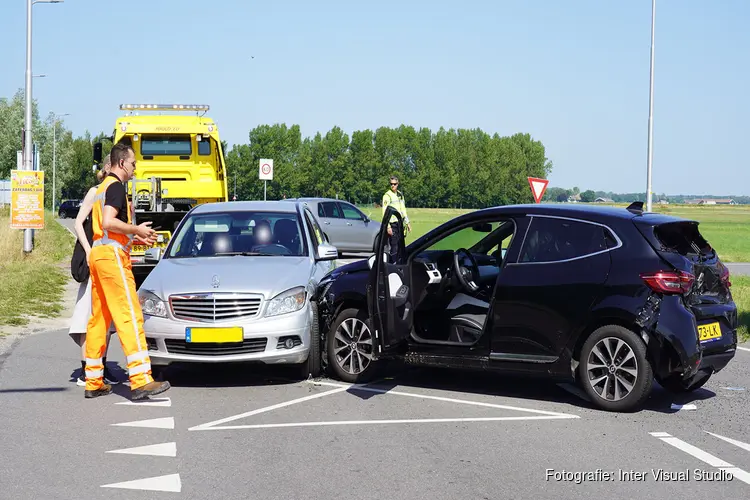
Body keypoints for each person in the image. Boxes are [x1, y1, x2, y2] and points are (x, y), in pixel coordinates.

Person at [84, 142, 171, 400]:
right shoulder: (116, 188)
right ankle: (141, 378)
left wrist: (134, 239)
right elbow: (111, 222)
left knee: (99, 319)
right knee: (130, 315)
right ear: (122, 163)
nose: (135, 168)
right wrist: (136, 230)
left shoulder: (102, 188)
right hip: (112, 258)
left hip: (99, 255)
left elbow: (105, 229)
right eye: (133, 164)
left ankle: (93, 380)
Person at [68, 154, 119, 386]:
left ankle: (102, 366)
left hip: (109, 263)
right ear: (109, 167)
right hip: (93, 263)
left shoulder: (116, 194)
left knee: (104, 320)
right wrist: (88, 251)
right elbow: (78, 222)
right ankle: (86, 369)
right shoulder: (95, 191)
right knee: (86, 316)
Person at [381, 175, 411, 263]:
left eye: (394, 184)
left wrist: (407, 222)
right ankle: (393, 264)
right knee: (394, 247)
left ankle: (400, 263)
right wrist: (388, 226)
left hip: (400, 224)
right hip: (392, 224)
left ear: (398, 184)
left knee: (401, 245)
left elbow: (403, 210)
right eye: (391, 184)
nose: (392, 186)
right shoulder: (387, 196)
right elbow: (384, 212)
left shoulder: (400, 195)